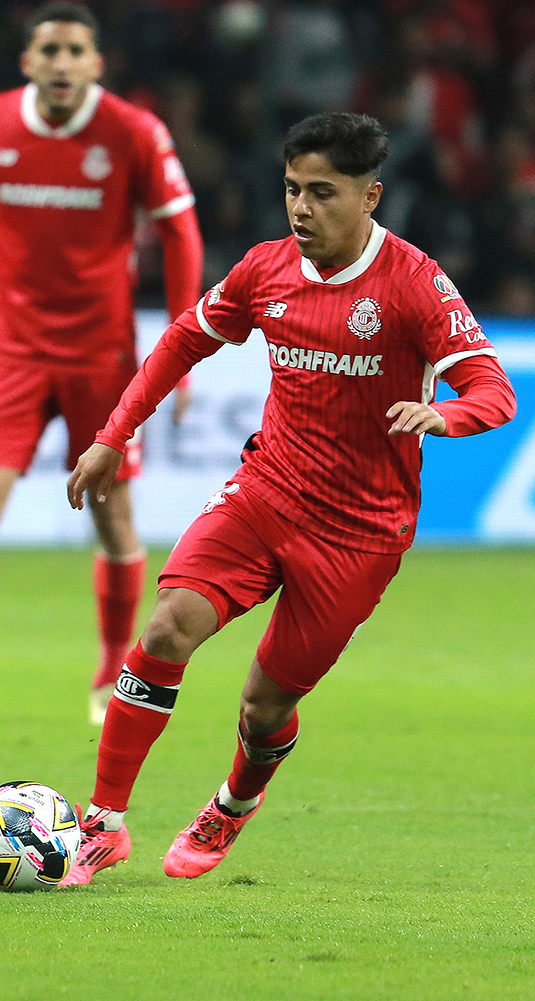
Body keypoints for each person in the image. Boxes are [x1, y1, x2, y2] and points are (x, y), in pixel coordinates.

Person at [61, 112, 515, 885]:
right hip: (265, 491)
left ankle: (234, 802)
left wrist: (445, 413)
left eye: (323, 193)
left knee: (263, 705)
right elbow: (183, 339)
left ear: (370, 196)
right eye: (292, 190)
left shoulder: (412, 284)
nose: (301, 208)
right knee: (170, 625)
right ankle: (103, 821)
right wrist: (114, 431)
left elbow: (494, 391)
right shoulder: (265, 269)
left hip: (360, 534)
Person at [0, 1, 205, 725]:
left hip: (103, 355)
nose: (62, 62)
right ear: (28, 61)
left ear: (96, 63)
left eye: (75, 50)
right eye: (49, 49)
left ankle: (114, 674)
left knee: (113, 515)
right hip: (13, 349)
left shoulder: (132, 131)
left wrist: (182, 347)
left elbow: (180, 231)